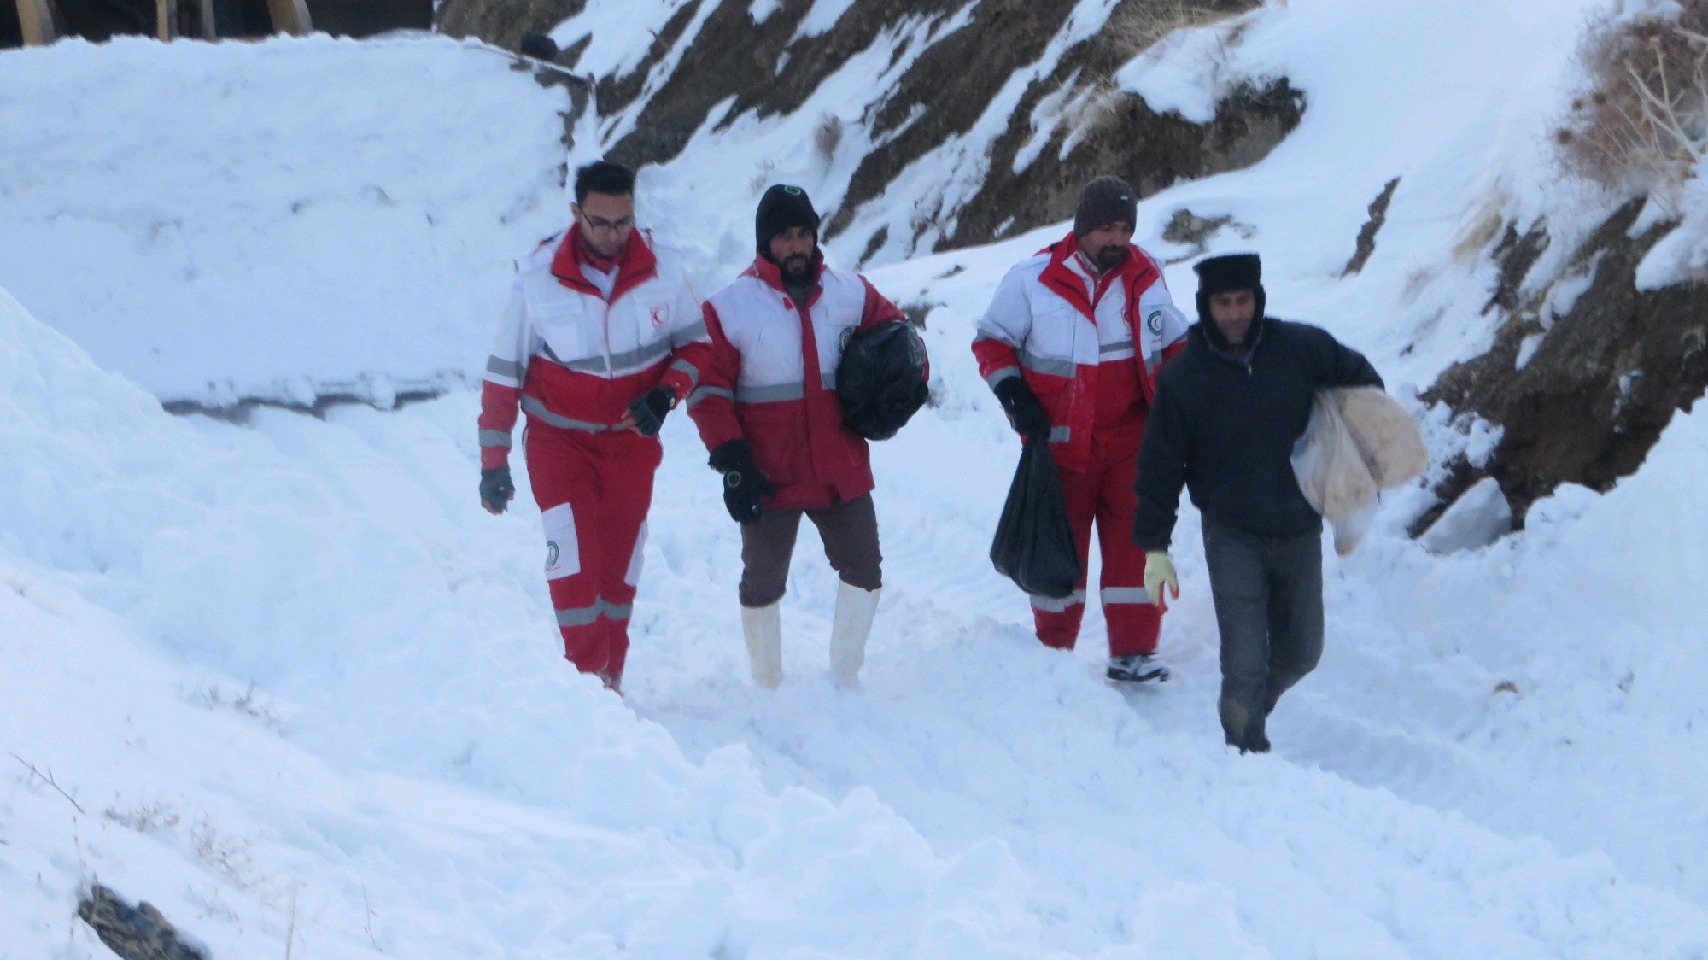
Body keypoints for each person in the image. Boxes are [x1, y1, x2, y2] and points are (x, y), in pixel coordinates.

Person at [1132, 252, 1383, 752]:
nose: (1233, 313)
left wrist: (1358, 436)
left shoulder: (1299, 348)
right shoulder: (1184, 380)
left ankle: (1249, 711)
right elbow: (1160, 466)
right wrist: (1154, 546)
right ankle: (1245, 747)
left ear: (1257, 299)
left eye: (1242, 300)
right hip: (1232, 534)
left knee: (1303, 651)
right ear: (1205, 305)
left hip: (1298, 527)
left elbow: (1361, 377)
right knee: (1245, 657)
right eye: (1222, 303)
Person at [476, 159, 710, 693]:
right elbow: (502, 372)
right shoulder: (536, 278)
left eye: (623, 222)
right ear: (575, 213)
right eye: (599, 222)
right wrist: (494, 461)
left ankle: (611, 677)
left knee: (618, 569)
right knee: (574, 567)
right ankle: (586, 690)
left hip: (631, 444)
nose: (612, 235)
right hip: (560, 443)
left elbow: (698, 347)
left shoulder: (665, 268)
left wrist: (664, 393)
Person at [687, 184, 925, 689]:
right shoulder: (729, 307)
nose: (796, 246)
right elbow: (707, 392)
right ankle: (767, 684)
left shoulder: (851, 293)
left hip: (840, 464)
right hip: (767, 471)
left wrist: (904, 388)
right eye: (784, 237)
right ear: (764, 243)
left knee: (865, 569)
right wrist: (732, 462)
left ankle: (845, 677)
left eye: (804, 234)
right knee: (763, 579)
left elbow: (902, 341)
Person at [973, 175, 1190, 683]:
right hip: (1060, 448)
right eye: (1107, 229)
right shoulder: (1034, 278)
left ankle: (1134, 652)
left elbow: (1174, 342)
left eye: (1125, 229)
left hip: (1131, 444)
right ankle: (1054, 653)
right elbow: (991, 342)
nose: (1117, 239)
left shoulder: (1147, 276)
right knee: (1058, 555)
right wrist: (1014, 395)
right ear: (1084, 226)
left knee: (1133, 548)